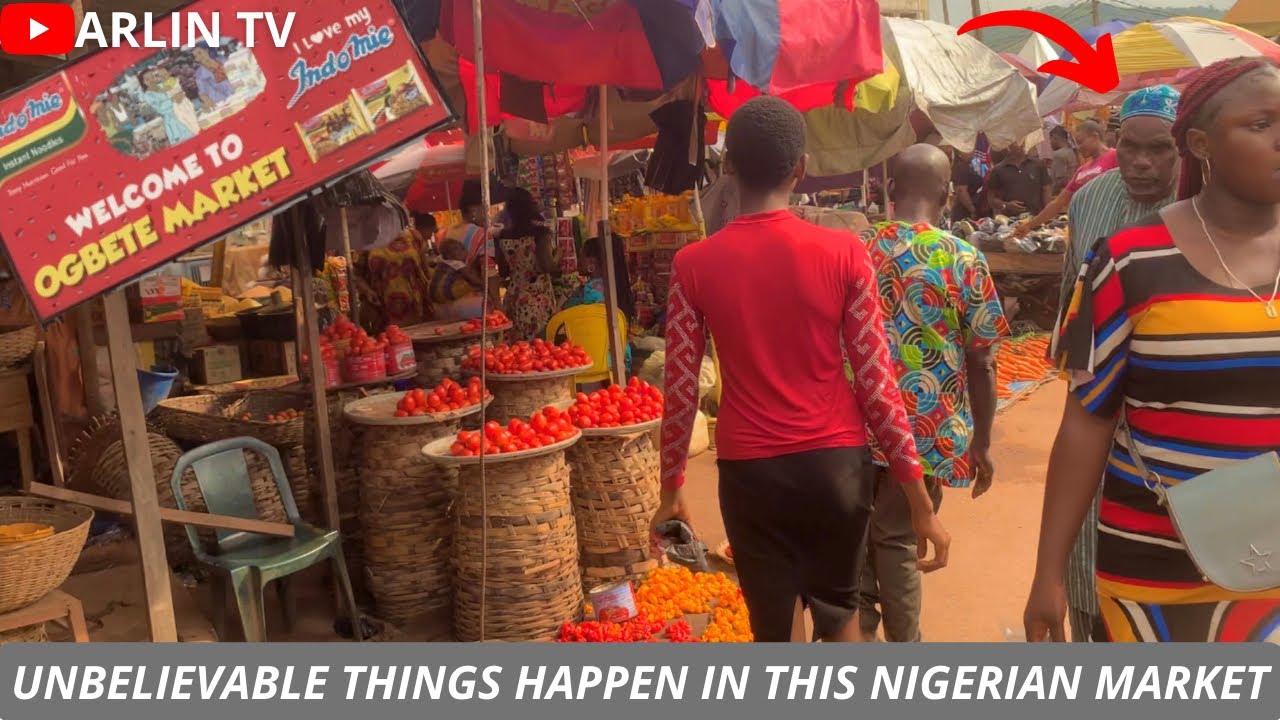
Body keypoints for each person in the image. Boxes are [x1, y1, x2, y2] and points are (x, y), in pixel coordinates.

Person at [650, 96, 950, 643]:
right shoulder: (844, 253)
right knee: (840, 618)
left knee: (774, 630)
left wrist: (671, 487)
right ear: (801, 168)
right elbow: (878, 385)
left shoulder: (692, 265)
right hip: (836, 469)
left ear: (730, 166)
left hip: (750, 473)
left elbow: (681, 390)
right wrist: (917, 498)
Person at [1024, 58, 1280, 643]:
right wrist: (1048, 574)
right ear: (1201, 143)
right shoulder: (1126, 261)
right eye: (1261, 123)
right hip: (1157, 570)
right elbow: (1086, 422)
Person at [857, 144, 1009, 642]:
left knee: (859, 540)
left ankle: (854, 640)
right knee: (900, 540)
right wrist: (982, 442)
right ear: (946, 195)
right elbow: (982, 359)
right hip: (931, 429)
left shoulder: (858, 251)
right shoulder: (964, 258)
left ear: (891, 190)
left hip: (856, 424)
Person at [1051, 85, 1183, 644]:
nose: (1142, 162)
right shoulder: (1091, 199)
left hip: (1176, 412)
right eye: (1129, 146)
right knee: (1088, 545)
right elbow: (1071, 308)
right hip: (1100, 403)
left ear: (1188, 150)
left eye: (1159, 149)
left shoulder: (1207, 204)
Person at [1015, 120, 1116, 236]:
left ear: (1095, 137)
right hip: (1087, 230)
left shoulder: (1115, 156)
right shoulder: (1082, 170)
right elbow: (1058, 202)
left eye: (1081, 142)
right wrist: (1029, 225)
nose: (1078, 147)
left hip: (1111, 228)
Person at [561, 235, 634, 370]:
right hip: (618, 358)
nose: (579, 259)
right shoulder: (615, 287)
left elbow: (564, 313)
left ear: (592, 262)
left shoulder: (588, 291)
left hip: (590, 358)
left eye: (581, 255)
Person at [495, 188, 559, 341]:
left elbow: (503, 271)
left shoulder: (502, 237)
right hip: (538, 300)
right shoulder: (540, 233)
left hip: (514, 298)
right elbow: (547, 266)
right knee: (542, 348)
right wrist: (559, 255)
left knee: (519, 352)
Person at [985, 140, 1051, 217]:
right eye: (1016, 142)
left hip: (1036, 218)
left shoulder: (1037, 164)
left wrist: (1047, 213)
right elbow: (991, 199)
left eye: (1021, 141)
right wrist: (1007, 205)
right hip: (1010, 221)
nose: (1020, 144)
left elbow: (1046, 189)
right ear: (1008, 145)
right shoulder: (998, 170)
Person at [430, 239, 486, 321]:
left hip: (433, 294)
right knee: (471, 286)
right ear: (449, 255)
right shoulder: (457, 264)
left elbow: (431, 263)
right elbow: (472, 278)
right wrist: (484, 284)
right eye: (461, 250)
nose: (464, 252)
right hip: (447, 292)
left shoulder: (440, 259)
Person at [139, 69, 197, 147]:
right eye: (147, 79)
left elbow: (178, 90)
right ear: (144, 82)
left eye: (152, 77)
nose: (151, 80)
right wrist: (173, 99)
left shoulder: (163, 85)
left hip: (183, 111)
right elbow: (160, 109)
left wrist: (180, 94)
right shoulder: (148, 95)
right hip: (172, 120)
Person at [950, 149, 985, 221]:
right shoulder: (961, 167)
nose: (973, 152)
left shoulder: (965, 166)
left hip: (967, 208)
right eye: (969, 150)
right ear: (960, 152)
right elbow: (961, 191)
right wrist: (972, 210)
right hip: (964, 211)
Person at [1049, 126, 1078, 194]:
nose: (1050, 142)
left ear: (1055, 137)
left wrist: (1050, 192)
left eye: (1050, 139)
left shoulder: (1059, 155)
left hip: (1061, 193)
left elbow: (1061, 180)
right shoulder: (1071, 151)